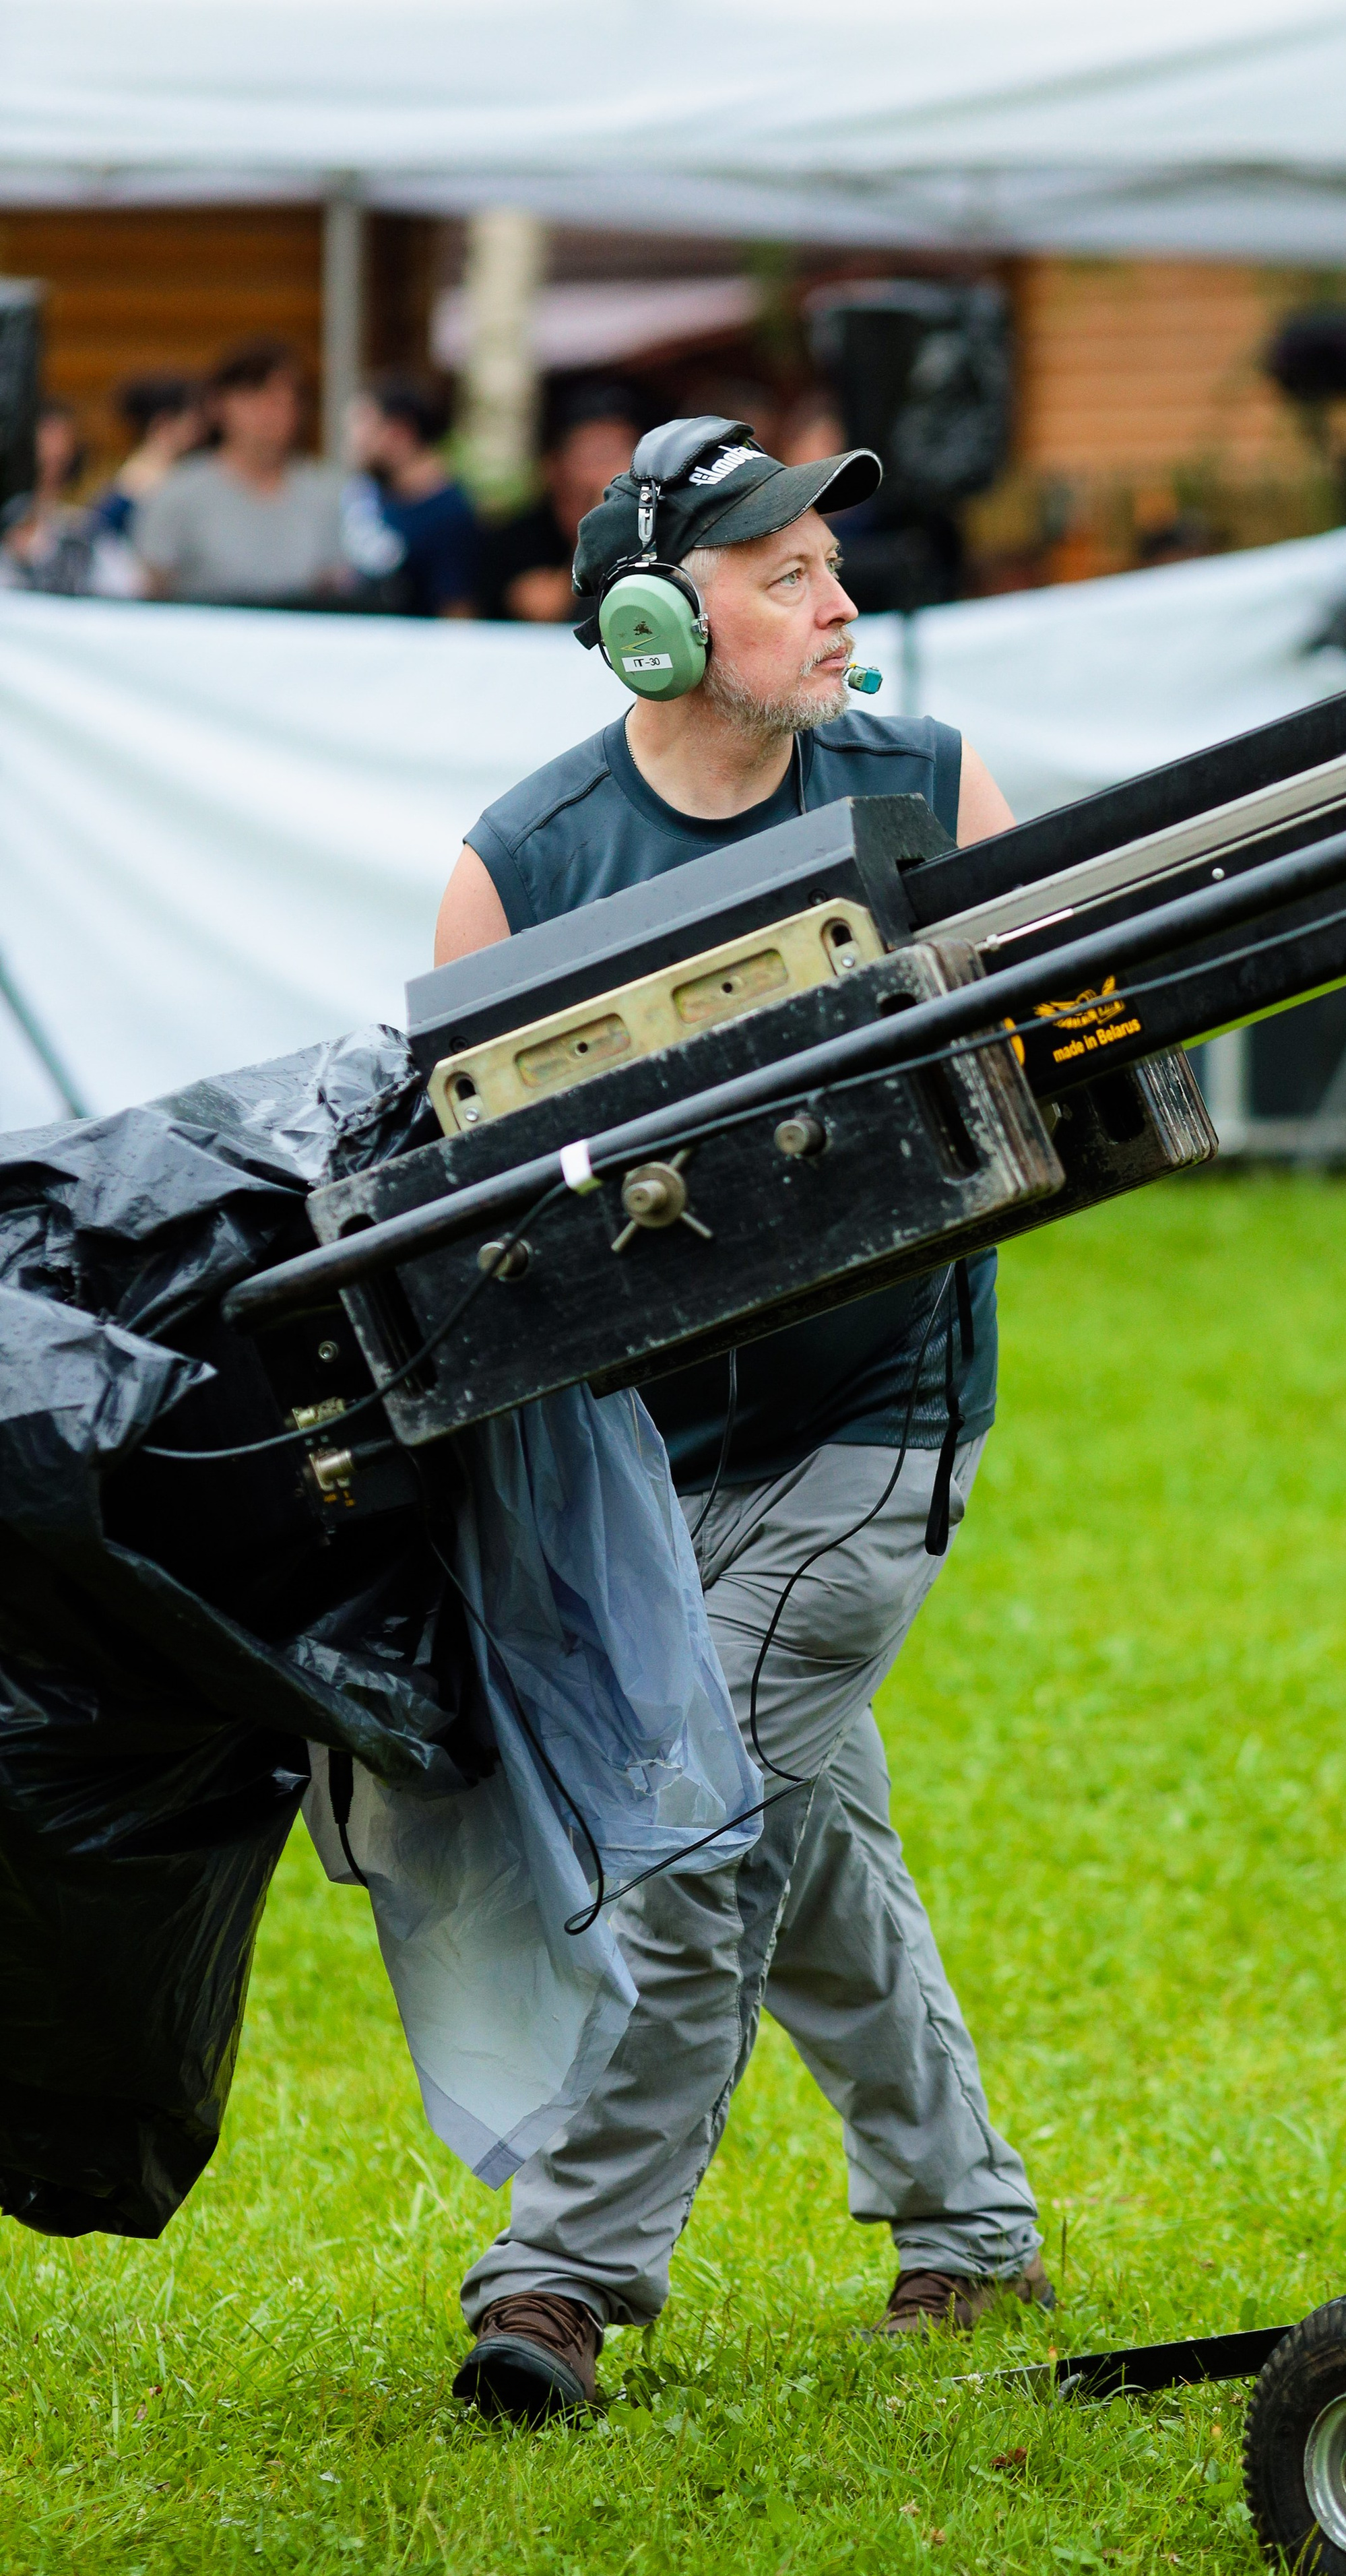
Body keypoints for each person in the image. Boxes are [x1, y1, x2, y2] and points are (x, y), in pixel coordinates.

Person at [435, 419, 1048, 2427]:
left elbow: (1045, 1053)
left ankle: (559, 2279)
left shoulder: (929, 781)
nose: (838, 601)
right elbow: (469, 1220)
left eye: (832, 566)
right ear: (650, 622)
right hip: (640, 1465)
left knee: (694, 1842)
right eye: (784, 574)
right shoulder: (516, 865)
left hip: (876, 1418)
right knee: (802, 1836)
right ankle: (968, 2220)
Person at [133, 338, 346, 607]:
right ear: (218, 405)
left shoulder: (329, 493)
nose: (271, 410)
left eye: (286, 398)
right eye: (257, 395)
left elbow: (341, 589)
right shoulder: (178, 494)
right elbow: (150, 591)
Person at [479, 383, 643, 622]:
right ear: (554, 465)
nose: (614, 471)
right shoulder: (516, 537)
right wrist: (601, 520)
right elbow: (546, 610)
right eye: (596, 455)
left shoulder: (647, 527)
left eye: (622, 454)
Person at [344, 375, 480, 618]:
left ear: (399, 433)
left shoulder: (450, 513)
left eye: (363, 424)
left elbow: (457, 609)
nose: (354, 439)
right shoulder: (372, 495)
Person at [0, 400, 138, 598]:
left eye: (62, 436)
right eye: (46, 433)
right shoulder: (12, 513)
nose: (55, 448)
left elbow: (125, 584)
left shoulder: (88, 520)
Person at [92, 373, 206, 543]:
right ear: (164, 423)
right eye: (192, 419)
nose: (200, 428)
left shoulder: (175, 474)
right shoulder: (141, 484)